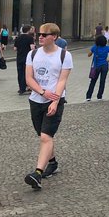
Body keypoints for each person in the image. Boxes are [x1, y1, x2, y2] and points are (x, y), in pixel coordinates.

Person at [24, 22, 73, 189]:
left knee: (46, 136)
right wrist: (43, 92)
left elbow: (62, 80)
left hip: (55, 101)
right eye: (39, 34)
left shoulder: (64, 55)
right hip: (36, 99)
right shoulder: (32, 54)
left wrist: (55, 100)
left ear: (55, 37)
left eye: (45, 35)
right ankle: (52, 163)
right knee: (44, 136)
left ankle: (37, 173)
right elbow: (28, 78)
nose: (41, 37)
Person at [86, 34, 109, 101]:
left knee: (93, 81)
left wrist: (91, 52)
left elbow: (89, 55)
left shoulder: (95, 47)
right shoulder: (107, 48)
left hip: (96, 66)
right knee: (102, 81)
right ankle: (99, 96)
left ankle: (88, 96)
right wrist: (108, 60)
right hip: (104, 66)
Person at [13, 25, 35, 95]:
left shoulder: (18, 38)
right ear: (28, 30)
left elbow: (15, 49)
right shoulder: (30, 38)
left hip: (19, 57)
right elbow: (32, 48)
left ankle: (21, 88)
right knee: (27, 73)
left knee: (20, 73)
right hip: (27, 58)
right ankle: (26, 88)